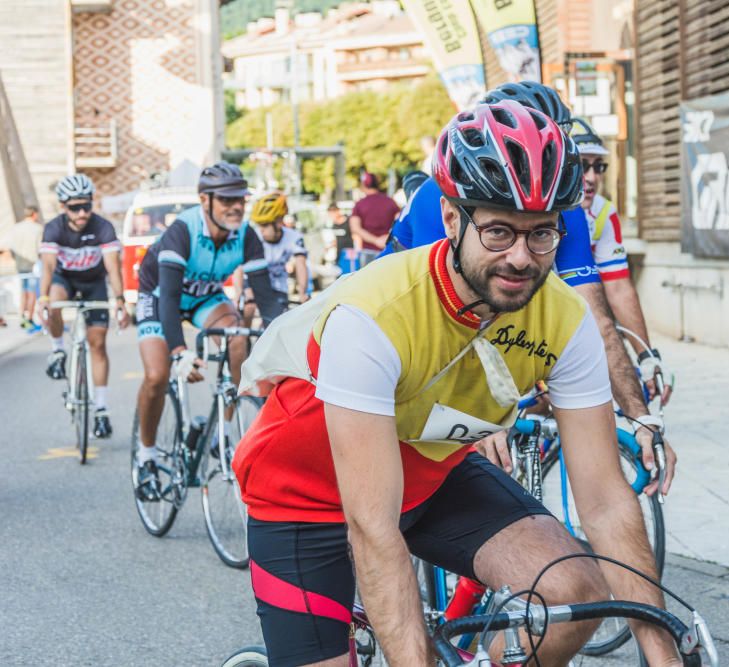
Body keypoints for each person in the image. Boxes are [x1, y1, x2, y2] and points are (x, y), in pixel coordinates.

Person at [232, 100, 681, 667]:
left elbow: (605, 500)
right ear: (450, 218)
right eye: (497, 231)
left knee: (574, 591)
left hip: (430, 467)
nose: (521, 258)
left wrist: (661, 652)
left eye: (542, 234)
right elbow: (374, 529)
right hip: (303, 493)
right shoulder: (374, 316)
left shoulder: (565, 320)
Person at [381, 81, 668, 451]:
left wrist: (639, 415)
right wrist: (474, 418)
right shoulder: (440, 198)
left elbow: (598, 317)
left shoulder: (565, 205)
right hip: (404, 334)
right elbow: (438, 323)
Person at [132, 162, 284, 499]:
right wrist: (179, 351)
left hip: (204, 297)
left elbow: (267, 299)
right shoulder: (183, 231)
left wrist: (285, 336)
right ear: (205, 200)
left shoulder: (246, 235)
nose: (235, 207)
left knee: (237, 339)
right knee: (157, 376)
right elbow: (170, 299)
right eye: (226, 199)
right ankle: (147, 456)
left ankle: (223, 433)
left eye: (240, 200)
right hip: (159, 295)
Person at [572, 119, 672, 404]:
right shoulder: (542, 209)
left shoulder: (604, 213)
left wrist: (646, 357)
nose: (591, 177)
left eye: (598, 166)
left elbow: (618, 289)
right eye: (582, 165)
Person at [38, 174, 129, 438]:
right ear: (63, 207)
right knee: (53, 300)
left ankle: (101, 409)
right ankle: (57, 350)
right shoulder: (54, 228)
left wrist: (120, 299)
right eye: (74, 207)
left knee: (98, 343)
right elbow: (48, 266)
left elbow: (113, 266)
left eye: (86, 206)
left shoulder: (103, 227)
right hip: (64, 279)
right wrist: (42, 299)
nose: (81, 213)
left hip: (93, 282)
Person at [234, 193, 310, 326]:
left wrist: (302, 292)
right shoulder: (254, 236)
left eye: (264, 225)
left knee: (275, 323)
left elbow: (301, 265)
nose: (260, 230)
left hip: (277, 285)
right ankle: (244, 341)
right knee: (248, 308)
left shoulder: (293, 237)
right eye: (259, 225)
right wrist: (238, 292)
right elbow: (239, 267)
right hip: (251, 282)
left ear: (279, 223)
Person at [9, 206, 44, 332]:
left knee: (23, 292)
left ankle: (22, 317)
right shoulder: (38, 229)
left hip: (20, 265)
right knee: (32, 293)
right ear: (34, 214)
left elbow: (11, 249)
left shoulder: (16, 228)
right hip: (33, 265)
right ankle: (29, 319)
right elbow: (41, 249)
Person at [349, 172, 398, 252]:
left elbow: (355, 228)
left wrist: (375, 240)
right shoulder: (390, 202)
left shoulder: (359, 204)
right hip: (388, 249)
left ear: (363, 185)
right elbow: (400, 222)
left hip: (368, 250)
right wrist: (387, 237)